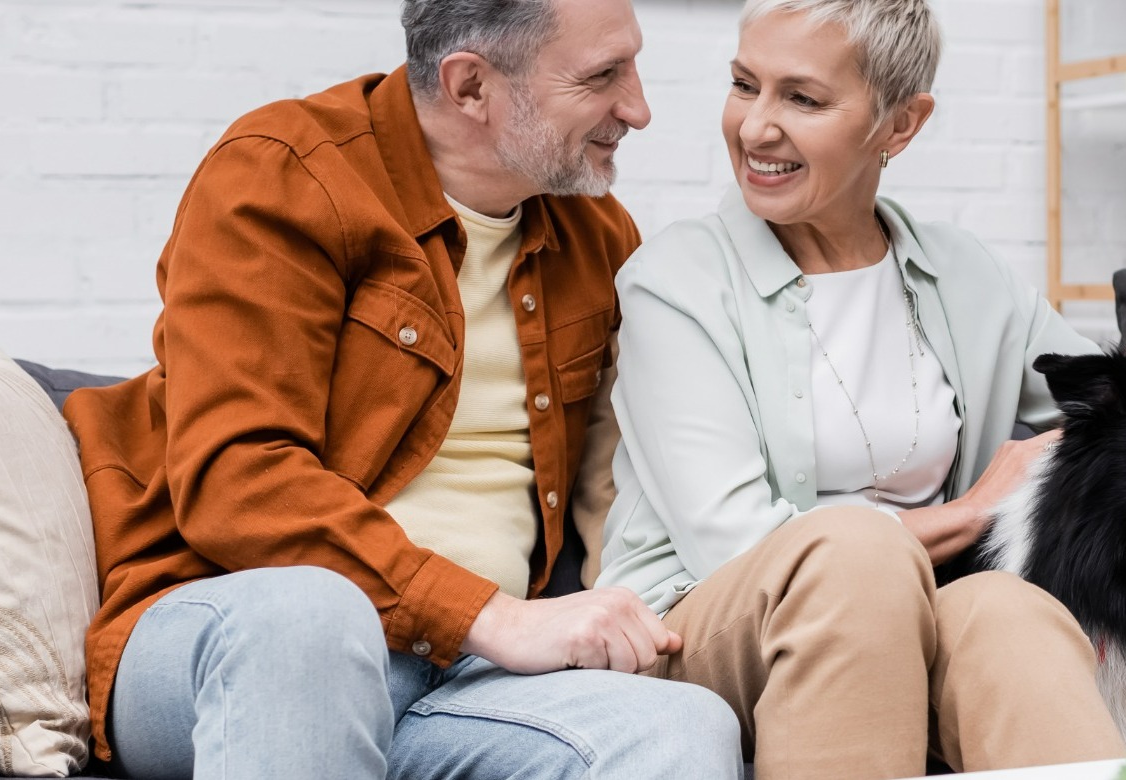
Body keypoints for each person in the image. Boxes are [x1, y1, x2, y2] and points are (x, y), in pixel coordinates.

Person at [61, 0, 742, 777]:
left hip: (472, 675)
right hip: (236, 637)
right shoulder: (285, 174)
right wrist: (488, 616)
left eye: (633, 65)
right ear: (471, 87)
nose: (639, 108)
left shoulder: (595, 235)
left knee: (681, 730)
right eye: (600, 77)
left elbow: (623, 482)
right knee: (314, 614)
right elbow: (236, 478)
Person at [593, 0, 1126, 776]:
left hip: (903, 620)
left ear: (900, 125)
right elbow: (737, 544)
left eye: (802, 98)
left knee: (1008, 610)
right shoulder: (675, 282)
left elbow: (1109, 413)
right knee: (853, 553)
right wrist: (971, 512)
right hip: (696, 632)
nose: (754, 128)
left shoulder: (965, 273)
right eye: (745, 85)